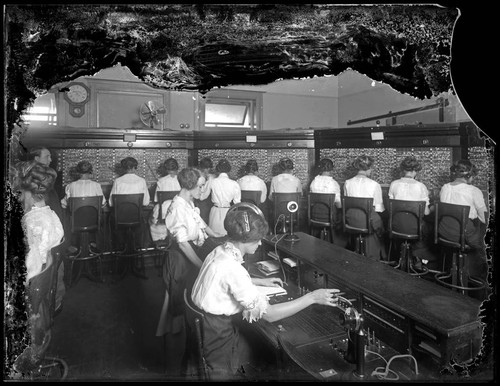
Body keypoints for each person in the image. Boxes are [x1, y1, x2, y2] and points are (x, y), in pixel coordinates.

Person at [190, 203, 341, 380]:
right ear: (244, 240)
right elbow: (269, 315)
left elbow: (222, 279)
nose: (261, 243)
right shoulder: (232, 268)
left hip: (208, 329)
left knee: (262, 346)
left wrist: (258, 281)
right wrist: (312, 297)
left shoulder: (219, 251)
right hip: (218, 341)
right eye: (257, 239)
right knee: (270, 353)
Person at [155, 167, 222, 375]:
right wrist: (203, 266)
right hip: (180, 261)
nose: (203, 190)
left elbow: (200, 224)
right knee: (176, 306)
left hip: (191, 255)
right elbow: (183, 245)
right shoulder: (176, 208)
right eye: (201, 186)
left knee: (190, 304)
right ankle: (175, 361)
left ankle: (189, 349)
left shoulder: (188, 203)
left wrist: (218, 234)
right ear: (191, 185)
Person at [13, 162, 66, 309]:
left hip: (34, 300)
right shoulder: (50, 213)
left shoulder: (33, 222)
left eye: (19, 193)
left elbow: (29, 271)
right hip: (51, 290)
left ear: (27, 192)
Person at [438, 159, 488, 287]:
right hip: (462, 235)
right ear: (469, 175)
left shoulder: (445, 187)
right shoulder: (473, 190)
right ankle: (480, 280)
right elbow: (484, 219)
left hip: (444, 233)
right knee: (486, 239)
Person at [388, 156, 433, 265]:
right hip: (415, 229)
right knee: (429, 228)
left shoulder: (393, 184)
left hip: (395, 226)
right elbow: (426, 213)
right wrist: (432, 208)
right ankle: (419, 257)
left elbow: (390, 209)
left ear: (403, 170)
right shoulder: (421, 186)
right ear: (415, 171)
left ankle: (404, 256)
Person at [343, 155, 386, 260]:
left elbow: (346, 203)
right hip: (367, 223)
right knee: (380, 225)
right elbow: (379, 209)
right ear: (368, 168)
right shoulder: (374, 184)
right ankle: (376, 257)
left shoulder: (347, 183)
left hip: (350, 221)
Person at [108, 157, 151, 250]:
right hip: (137, 219)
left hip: (120, 219)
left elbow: (111, 203)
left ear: (123, 168)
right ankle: (138, 247)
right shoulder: (141, 181)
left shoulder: (117, 181)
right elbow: (146, 202)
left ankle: (119, 248)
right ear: (135, 167)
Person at [27, 146, 64, 223]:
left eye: (50, 157)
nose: (50, 160)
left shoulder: (51, 174)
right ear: (37, 158)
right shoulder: (28, 177)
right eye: (47, 157)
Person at [207, 159, 241, 237]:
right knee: (227, 235)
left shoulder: (213, 181)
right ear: (229, 170)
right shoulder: (234, 184)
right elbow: (237, 203)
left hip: (215, 211)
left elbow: (203, 197)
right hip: (228, 211)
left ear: (218, 169)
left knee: (214, 235)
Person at [195, 157, 216, 224]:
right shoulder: (211, 178)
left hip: (198, 202)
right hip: (205, 204)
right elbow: (204, 195)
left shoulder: (195, 175)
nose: (207, 170)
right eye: (207, 168)